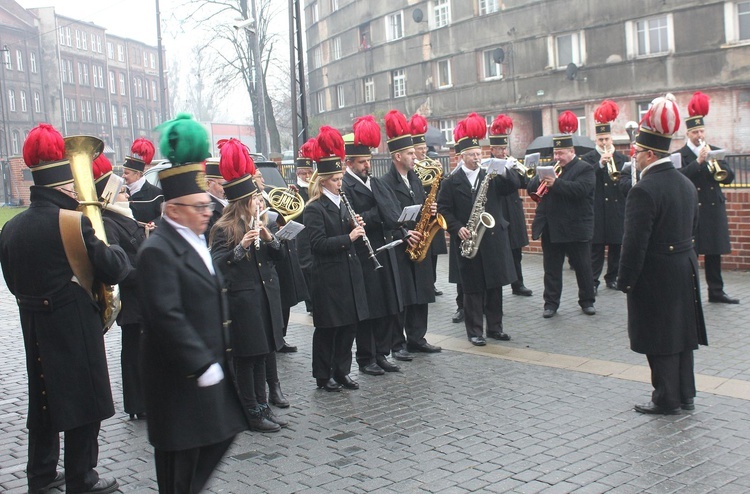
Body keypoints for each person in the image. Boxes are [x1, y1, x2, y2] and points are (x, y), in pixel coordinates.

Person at [0, 124, 130, 494]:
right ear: (66, 186)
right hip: (75, 327)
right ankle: (82, 478)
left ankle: (40, 474)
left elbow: (10, 282)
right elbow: (114, 267)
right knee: (83, 404)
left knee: (43, 403)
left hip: (35, 328)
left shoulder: (11, 228)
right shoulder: (73, 222)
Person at [137, 114, 247, 493]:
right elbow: (165, 314)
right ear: (172, 209)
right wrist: (201, 363)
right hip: (178, 382)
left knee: (223, 436)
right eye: (198, 206)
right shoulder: (157, 250)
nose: (207, 212)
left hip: (208, 372)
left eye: (207, 205)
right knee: (179, 474)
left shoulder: (195, 238)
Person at [617, 94, 707, 414]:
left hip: (655, 270)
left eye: (638, 152)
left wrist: (625, 280)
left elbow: (635, 241)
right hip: (684, 265)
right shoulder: (683, 182)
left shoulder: (644, 189)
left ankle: (666, 398)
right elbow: (693, 225)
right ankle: (686, 394)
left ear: (649, 154)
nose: (635, 156)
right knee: (681, 334)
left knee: (658, 337)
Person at [209, 138, 288, 432]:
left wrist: (270, 238)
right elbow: (217, 265)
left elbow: (278, 258)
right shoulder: (224, 228)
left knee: (263, 354)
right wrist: (240, 248)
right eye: (254, 199)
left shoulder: (261, 221)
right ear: (243, 202)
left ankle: (263, 405)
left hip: (264, 299)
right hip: (242, 303)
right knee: (247, 358)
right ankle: (251, 411)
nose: (259, 202)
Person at [437, 113, 518, 346]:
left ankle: (495, 328)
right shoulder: (451, 182)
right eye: (472, 155)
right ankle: (474, 332)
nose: (476, 158)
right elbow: (443, 210)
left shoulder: (490, 175)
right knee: (472, 289)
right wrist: (457, 228)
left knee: (495, 285)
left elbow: (512, 187)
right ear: (461, 157)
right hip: (468, 239)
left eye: (478, 154)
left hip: (491, 239)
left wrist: (504, 169)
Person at [302, 126, 369, 391]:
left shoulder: (342, 204)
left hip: (349, 273)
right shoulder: (314, 209)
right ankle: (323, 374)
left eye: (341, 179)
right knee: (329, 329)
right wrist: (349, 237)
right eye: (335, 180)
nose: (340, 184)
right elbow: (317, 244)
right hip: (328, 277)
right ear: (322, 182)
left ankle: (342, 371)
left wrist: (354, 226)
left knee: (348, 327)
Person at [342, 116, 405, 375]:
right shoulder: (345, 185)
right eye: (362, 162)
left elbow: (392, 210)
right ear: (349, 163)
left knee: (386, 305)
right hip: (363, 254)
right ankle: (366, 357)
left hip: (384, 248)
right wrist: (375, 215)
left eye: (368, 160)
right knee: (369, 309)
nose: (367, 165)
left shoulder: (374, 182)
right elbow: (350, 219)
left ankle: (382, 352)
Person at [93, 154, 150, 421]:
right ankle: (137, 404)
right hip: (133, 296)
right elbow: (120, 265)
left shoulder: (124, 216)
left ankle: (145, 400)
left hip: (143, 296)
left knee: (142, 349)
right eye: (122, 192)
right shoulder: (109, 222)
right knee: (133, 352)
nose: (127, 194)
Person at [380, 110, 442, 356]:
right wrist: (405, 233)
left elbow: (420, 204)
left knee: (421, 291)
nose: (415, 156)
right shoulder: (384, 183)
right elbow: (389, 216)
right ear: (397, 156)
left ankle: (417, 337)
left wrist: (432, 208)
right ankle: (397, 343)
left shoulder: (415, 178)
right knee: (402, 295)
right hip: (401, 243)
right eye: (409, 153)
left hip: (420, 239)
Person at [527, 111, 596, 318]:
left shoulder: (585, 168)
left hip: (575, 227)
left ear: (571, 151)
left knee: (583, 267)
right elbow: (532, 187)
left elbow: (580, 191)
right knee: (551, 269)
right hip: (552, 228)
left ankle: (587, 301)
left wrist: (556, 183)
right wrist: (536, 179)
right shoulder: (551, 167)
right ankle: (551, 303)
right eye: (556, 154)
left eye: (561, 154)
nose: (557, 157)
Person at [678, 91, 739, 304]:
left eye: (701, 130)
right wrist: (698, 162)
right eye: (694, 131)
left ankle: (716, 291)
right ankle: (690, 293)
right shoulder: (681, 155)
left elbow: (728, 177)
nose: (699, 135)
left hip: (713, 208)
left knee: (714, 252)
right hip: (693, 208)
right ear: (688, 133)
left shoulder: (714, 150)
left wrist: (714, 162)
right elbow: (680, 177)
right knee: (691, 254)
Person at [580, 100, 629, 292]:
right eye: (600, 140)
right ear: (596, 141)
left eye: (607, 139)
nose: (604, 143)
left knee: (616, 246)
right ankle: (592, 281)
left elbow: (625, 181)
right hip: (597, 208)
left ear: (612, 139)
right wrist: (600, 164)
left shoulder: (622, 159)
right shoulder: (589, 159)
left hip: (617, 209)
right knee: (596, 249)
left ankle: (613, 277)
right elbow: (586, 179)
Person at [489, 114, 533, 297]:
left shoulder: (510, 162)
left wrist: (517, 168)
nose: (502, 152)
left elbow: (523, 183)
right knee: (499, 252)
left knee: (516, 251)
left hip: (513, 210)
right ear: (492, 149)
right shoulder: (489, 165)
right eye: (498, 148)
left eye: (504, 148)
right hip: (498, 210)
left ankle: (518, 284)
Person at [409, 113, 447, 296]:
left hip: (432, 212)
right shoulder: (412, 169)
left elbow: (440, 186)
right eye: (419, 148)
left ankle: (432, 283)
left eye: (424, 148)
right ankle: (424, 284)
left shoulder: (431, 165)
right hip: (419, 213)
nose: (423, 151)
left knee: (433, 251)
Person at [294, 146, 316, 314]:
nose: (307, 176)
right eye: (303, 173)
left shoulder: (315, 188)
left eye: (309, 172)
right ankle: (310, 304)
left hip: (314, 232)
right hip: (302, 234)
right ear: (297, 174)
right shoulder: (295, 190)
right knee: (306, 267)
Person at [123, 137, 164, 223]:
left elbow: (163, 217)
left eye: (126, 173)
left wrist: (153, 223)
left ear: (137, 174)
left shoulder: (156, 194)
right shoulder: (122, 192)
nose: (123, 176)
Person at [204, 157, 227, 238]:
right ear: (208, 184)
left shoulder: (227, 201)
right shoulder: (206, 205)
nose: (225, 189)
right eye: (221, 184)